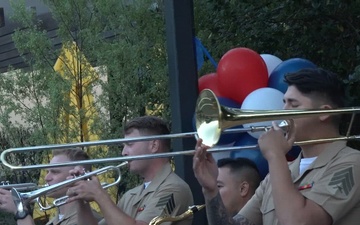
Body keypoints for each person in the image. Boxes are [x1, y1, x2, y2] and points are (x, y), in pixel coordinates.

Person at [193, 68, 360, 225]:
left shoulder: (352, 163)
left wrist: (275, 155)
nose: (282, 111)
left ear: (324, 113)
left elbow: (298, 222)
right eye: (284, 103)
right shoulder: (279, 171)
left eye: (293, 105)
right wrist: (211, 190)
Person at [66, 115, 194, 225]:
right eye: (123, 146)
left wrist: (99, 194)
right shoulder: (130, 196)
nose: (123, 152)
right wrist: (80, 199)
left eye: (130, 144)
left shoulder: (174, 188)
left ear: (154, 145)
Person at [0, 148, 99, 225]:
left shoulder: (89, 219)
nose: (47, 178)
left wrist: (20, 212)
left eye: (55, 172)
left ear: (76, 175)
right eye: (47, 172)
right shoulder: (53, 222)